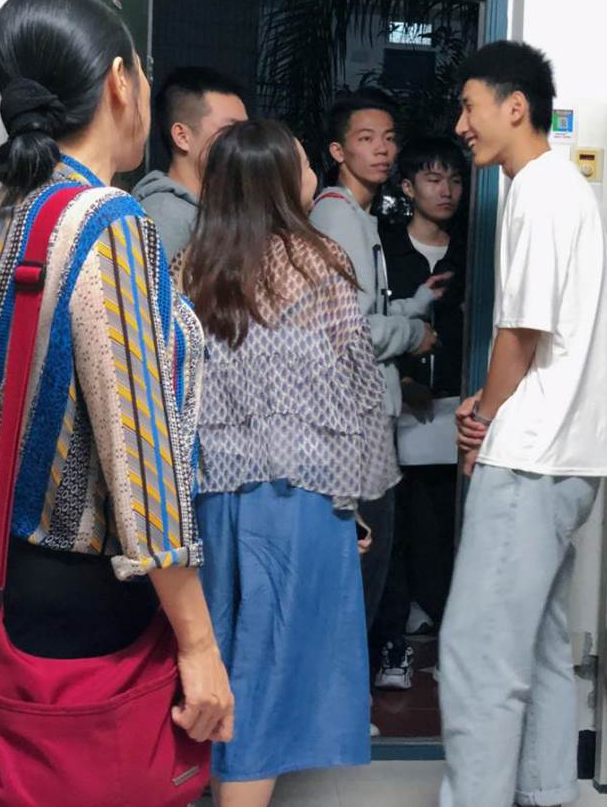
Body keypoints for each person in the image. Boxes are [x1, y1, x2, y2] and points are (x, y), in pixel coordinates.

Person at [0, 0, 233, 758]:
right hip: (91, 597)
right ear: (119, 81)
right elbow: (144, 455)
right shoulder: (112, 225)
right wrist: (199, 643)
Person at [181, 118, 400, 806]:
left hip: (210, 504)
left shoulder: (190, 267)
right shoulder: (317, 264)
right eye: (302, 165)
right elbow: (357, 391)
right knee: (273, 681)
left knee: (219, 666)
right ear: (278, 181)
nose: (311, 177)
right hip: (299, 502)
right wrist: (355, 500)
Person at [440, 41, 607, 807]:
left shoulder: (541, 190)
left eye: (470, 106)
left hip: (531, 459)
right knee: (542, 648)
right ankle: (547, 794)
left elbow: (520, 333)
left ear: (515, 107)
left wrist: (483, 414)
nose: (461, 125)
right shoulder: (568, 192)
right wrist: (489, 403)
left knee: (478, 658)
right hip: (570, 459)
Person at [309, 89, 451, 695]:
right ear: (338, 151)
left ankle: (343, 697)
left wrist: (414, 304)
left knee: (370, 563)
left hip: (363, 421)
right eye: (366, 139)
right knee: (364, 567)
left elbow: (362, 309)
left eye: (389, 138)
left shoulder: (356, 215)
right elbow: (351, 330)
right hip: (354, 427)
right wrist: (416, 333)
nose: (383, 150)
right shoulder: (338, 216)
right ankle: (343, 701)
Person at [373, 137, 468, 691]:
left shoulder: (474, 251)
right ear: (408, 188)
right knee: (403, 521)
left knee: (448, 521)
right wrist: (405, 383)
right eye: (433, 179)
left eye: (454, 178)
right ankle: (403, 626)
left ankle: (440, 620)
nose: (446, 190)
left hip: (460, 412)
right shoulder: (384, 251)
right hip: (401, 413)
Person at [133, 66, 247, 264]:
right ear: (182, 137)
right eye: (230, 130)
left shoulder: (215, 210)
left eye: (246, 131)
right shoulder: (165, 216)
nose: (245, 141)